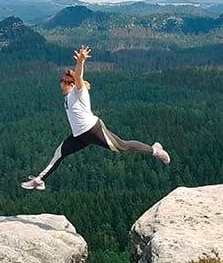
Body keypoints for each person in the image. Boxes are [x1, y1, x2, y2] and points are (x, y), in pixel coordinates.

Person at [21, 45, 171, 191]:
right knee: (59, 153)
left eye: (63, 86)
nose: (62, 89)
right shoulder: (68, 96)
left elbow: (79, 76)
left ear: (70, 84)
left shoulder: (78, 91)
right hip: (79, 136)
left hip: (93, 129)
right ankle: (40, 180)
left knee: (122, 146)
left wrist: (80, 61)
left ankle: (155, 150)